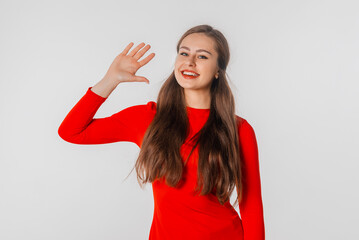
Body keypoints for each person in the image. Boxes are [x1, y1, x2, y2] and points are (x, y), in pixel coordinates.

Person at [58, 24, 265, 240]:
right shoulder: (148, 118)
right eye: (184, 53)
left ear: (218, 71)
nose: (190, 62)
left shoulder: (238, 129)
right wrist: (110, 80)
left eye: (202, 56)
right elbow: (71, 131)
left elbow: (251, 205)